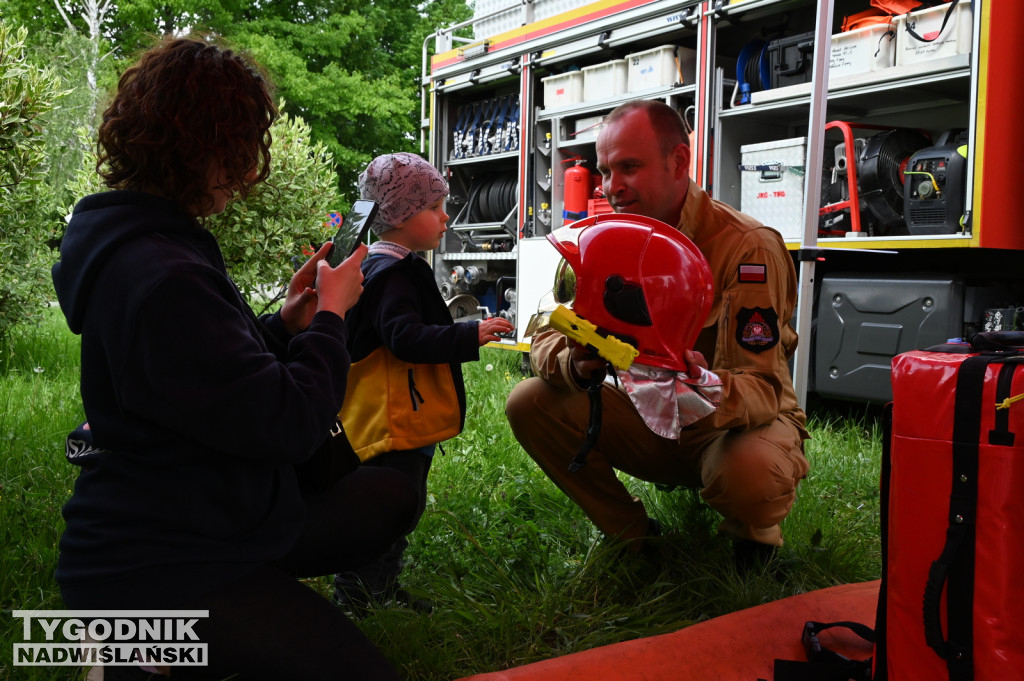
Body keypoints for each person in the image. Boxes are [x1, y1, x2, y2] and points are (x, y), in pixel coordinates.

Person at [50, 36, 417, 680]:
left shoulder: (143, 244)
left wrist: (285, 324)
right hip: (155, 564)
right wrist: (332, 316)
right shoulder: (162, 272)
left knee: (389, 497)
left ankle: (181, 646)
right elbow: (290, 424)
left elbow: (201, 380)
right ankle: (134, 652)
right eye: (241, 147)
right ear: (200, 146)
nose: (249, 171)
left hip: (202, 507)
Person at [505, 99, 809, 569]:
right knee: (528, 402)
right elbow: (546, 332)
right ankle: (636, 541)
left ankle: (754, 542)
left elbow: (765, 389)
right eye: (605, 171)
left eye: (630, 167)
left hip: (729, 427)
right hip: (651, 419)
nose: (612, 187)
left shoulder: (746, 247)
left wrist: (707, 388)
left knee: (748, 471)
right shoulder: (603, 240)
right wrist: (575, 362)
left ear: (679, 161)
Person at [332, 152, 513, 611]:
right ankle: (362, 594)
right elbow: (405, 338)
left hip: (383, 412)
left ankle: (377, 587)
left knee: (389, 505)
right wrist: (468, 334)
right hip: (396, 418)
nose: (445, 217)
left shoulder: (373, 264)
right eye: (434, 208)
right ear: (401, 215)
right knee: (394, 507)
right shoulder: (394, 274)